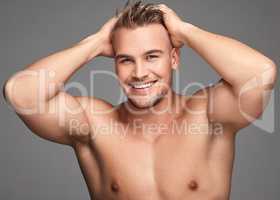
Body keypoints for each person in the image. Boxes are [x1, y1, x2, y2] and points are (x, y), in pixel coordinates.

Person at [3, 1, 277, 199]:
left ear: (173, 58)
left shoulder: (208, 115)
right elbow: (20, 93)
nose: (139, 72)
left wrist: (184, 31)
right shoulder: (93, 126)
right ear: (114, 64)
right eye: (126, 60)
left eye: (151, 56)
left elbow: (261, 73)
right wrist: (95, 44)